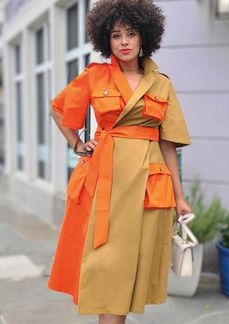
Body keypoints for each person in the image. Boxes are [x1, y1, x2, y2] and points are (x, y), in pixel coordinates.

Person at [48, 0, 192, 323]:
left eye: (131, 33)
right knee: (109, 277)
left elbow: (168, 144)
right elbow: (58, 110)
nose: (124, 41)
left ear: (144, 37)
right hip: (107, 187)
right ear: (106, 40)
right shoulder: (95, 77)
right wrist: (78, 144)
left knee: (129, 283)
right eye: (116, 35)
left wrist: (180, 198)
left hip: (147, 190)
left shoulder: (162, 84)